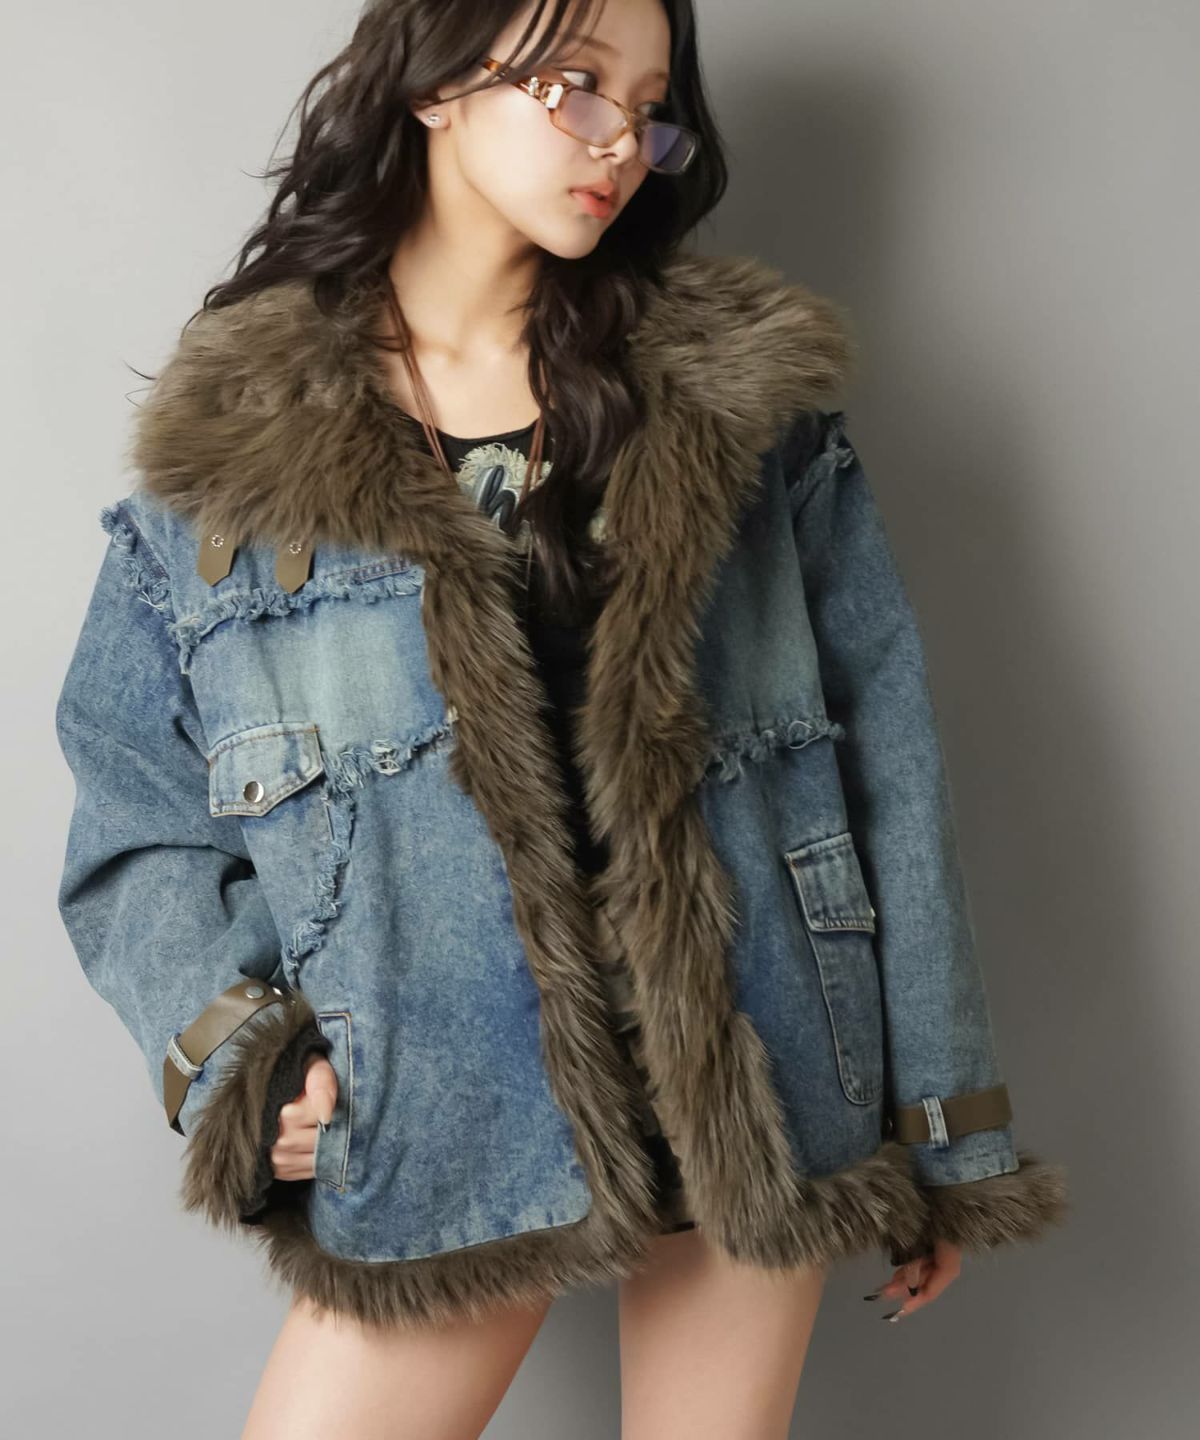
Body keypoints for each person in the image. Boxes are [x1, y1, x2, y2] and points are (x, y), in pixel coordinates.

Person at [53, 1, 1069, 1436]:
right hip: (439, 1101)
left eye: (650, 109)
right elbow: (133, 822)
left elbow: (888, 768)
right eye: (577, 85)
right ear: (434, 83)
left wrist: (952, 1136)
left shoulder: (738, 406)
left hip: (754, 1075)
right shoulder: (239, 456)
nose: (621, 145)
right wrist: (245, 1057)